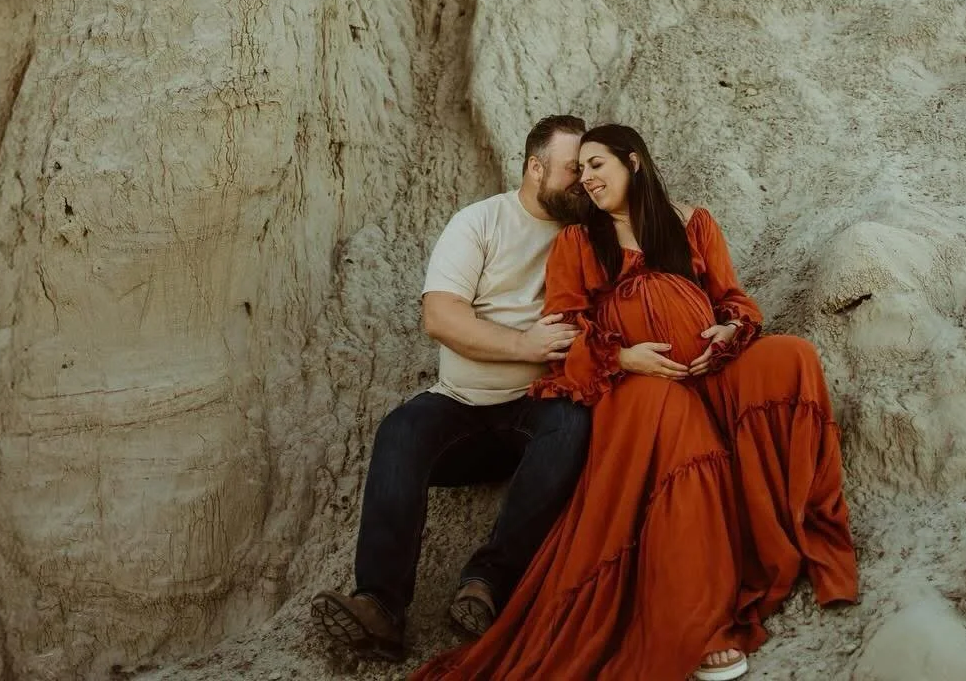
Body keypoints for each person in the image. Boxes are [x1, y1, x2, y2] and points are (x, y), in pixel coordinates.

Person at [408, 124, 858, 681]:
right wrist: (624, 359)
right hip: (630, 386)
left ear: (634, 163)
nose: (588, 180)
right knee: (672, 414)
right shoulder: (577, 243)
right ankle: (705, 620)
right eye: (582, 170)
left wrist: (729, 331)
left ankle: (804, 530)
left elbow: (733, 299)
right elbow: (566, 330)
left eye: (597, 165)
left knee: (793, 358)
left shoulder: (691, 223)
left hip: (707, 368)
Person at [312, 115, 594, 664]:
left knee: (572, 422)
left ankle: (487, 583)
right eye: (571, 170)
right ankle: (379, 608)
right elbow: (440, 317)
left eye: (586, 171)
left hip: (536, 414)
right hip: (462, 409)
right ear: (535, 169)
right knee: (401, 430)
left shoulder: (587, 232)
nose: (582, 182)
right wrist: (526, 345)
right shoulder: (480, 223)